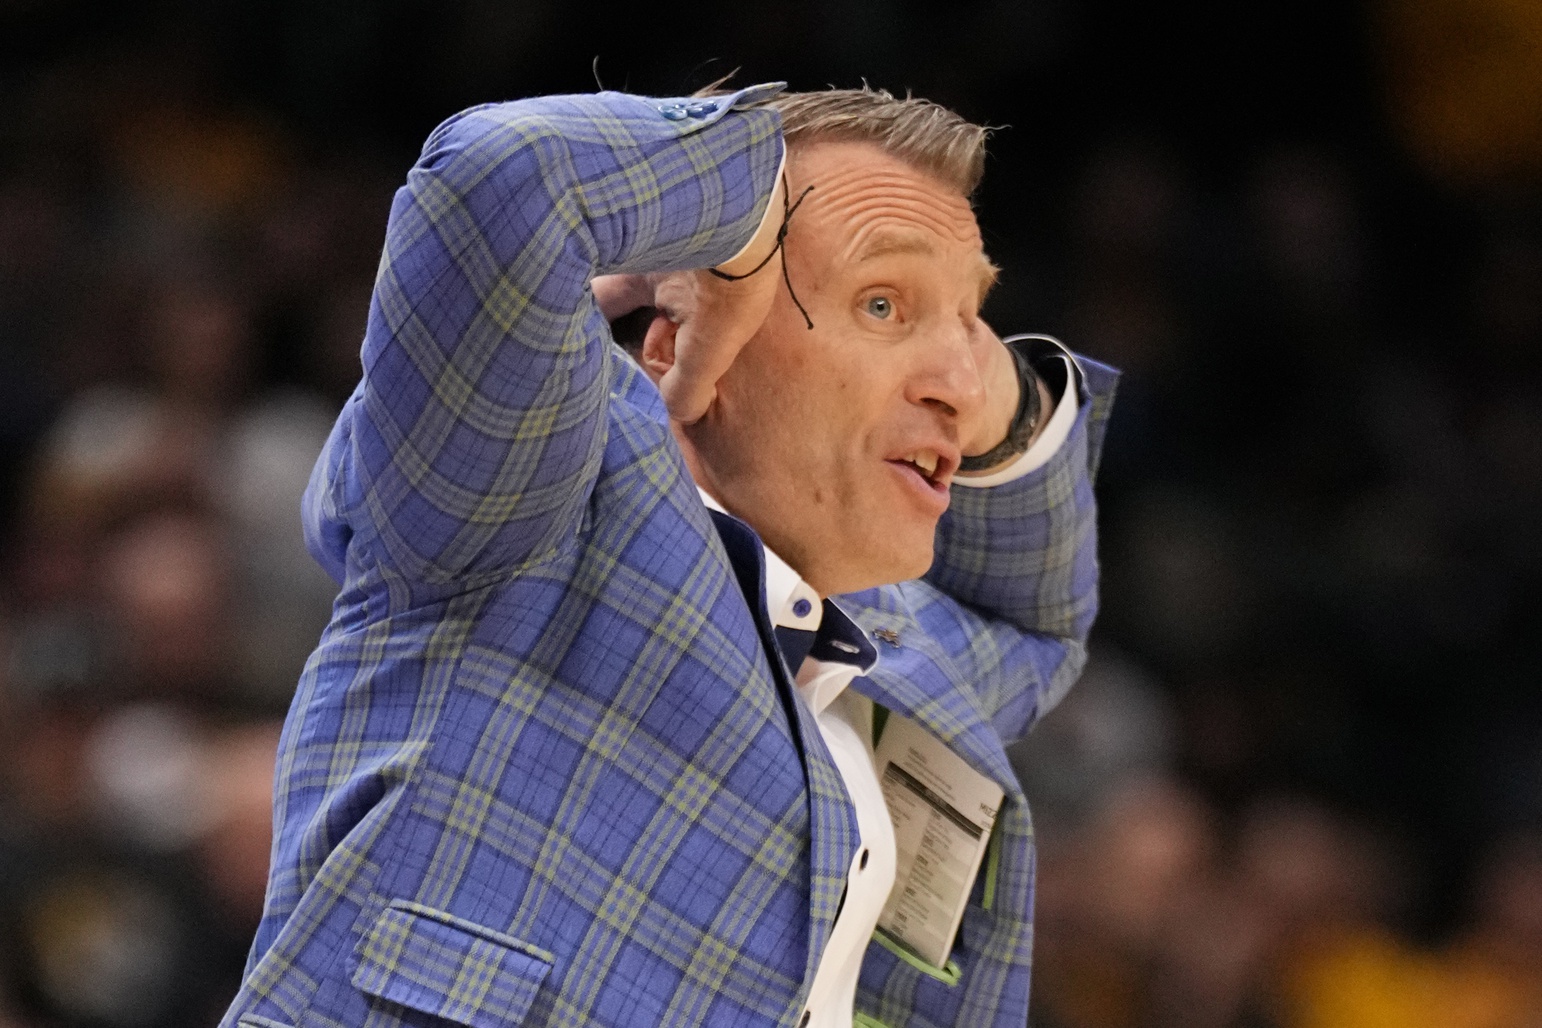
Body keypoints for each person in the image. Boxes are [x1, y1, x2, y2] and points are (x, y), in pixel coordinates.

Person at [222, 80, 1116, 1028]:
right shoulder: (548, 497)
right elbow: (500, 175)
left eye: (971, 324)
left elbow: (1034, 616)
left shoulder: (885, 650)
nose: (956, 387)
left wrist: (1003, 393)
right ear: (680, 345)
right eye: (883, 303)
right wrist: (729, 200)